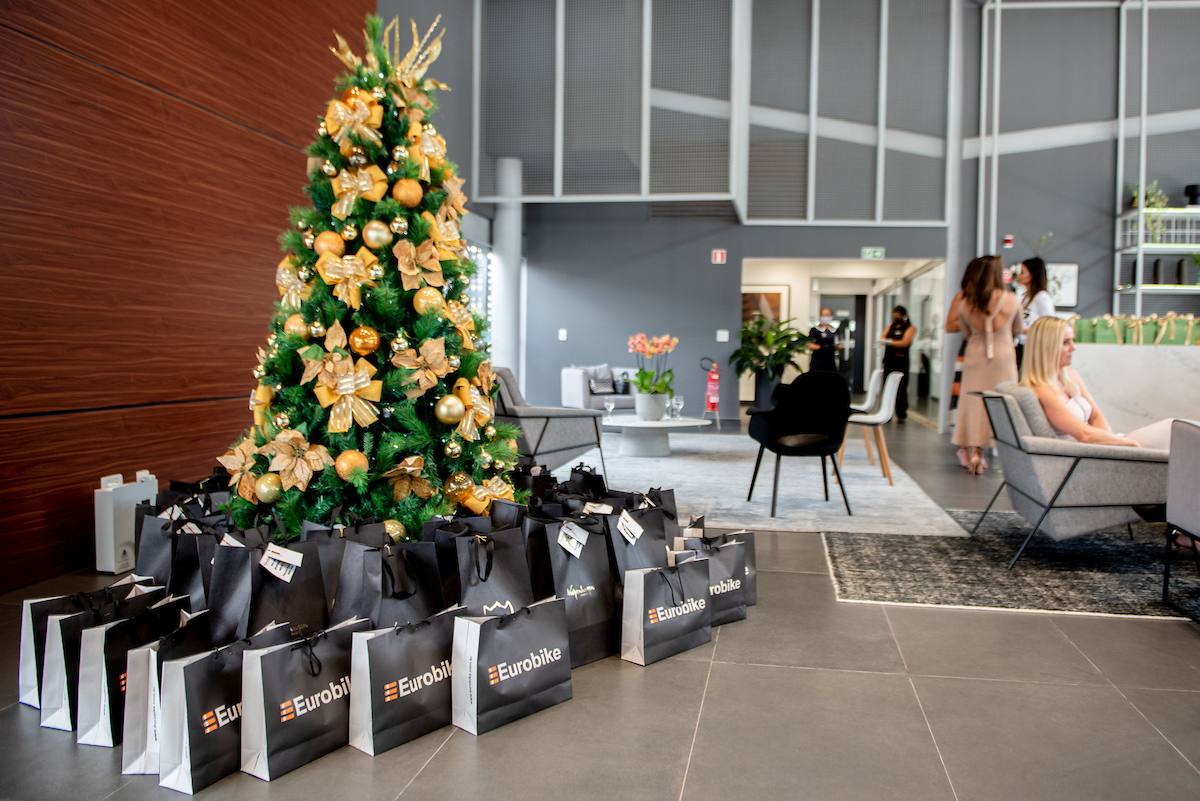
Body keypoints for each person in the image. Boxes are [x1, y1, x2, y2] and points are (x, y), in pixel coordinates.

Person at [1021, 316, 1186, 450]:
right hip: (1083, 454)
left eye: (1073, 340)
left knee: (1177, 430)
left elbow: (1096, 415)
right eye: (1066, 342)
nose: (1074, 347)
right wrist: (1125, 444)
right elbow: (1084, 435)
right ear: (1047, 347)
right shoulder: (1042, 391)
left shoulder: (1070, 375)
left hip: (1102, 446)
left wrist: (1112, 443)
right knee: (1175, 430)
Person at [945, 255, 1023, 474]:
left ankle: (975, 452)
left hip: (975, 355)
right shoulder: (1011, 299)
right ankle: (1008, 449)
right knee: (1005, 401)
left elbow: (965, 332)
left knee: (973, 403)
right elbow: (1018, 329)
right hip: (1004, 355)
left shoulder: (966, 303)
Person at [1014, 257, 1055, 368]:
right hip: (1022, 346)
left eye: (1022, 272)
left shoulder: (1042, 297)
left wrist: (1027, 330)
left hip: (1034, 349)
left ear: (1032, 275)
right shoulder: (1024, 297)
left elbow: (1050, 324)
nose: (1019, 276)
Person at [879, 305, 915, 422]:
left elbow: (905, 342)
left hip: (901, 361)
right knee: (887, 386)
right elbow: (882, 337)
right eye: (894, 315)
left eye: (897, 315)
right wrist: (891, 341)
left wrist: (890, 342)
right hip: (889, 361)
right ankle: (886, 413)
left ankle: (901, 413)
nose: (895, 317)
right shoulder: (890, 326)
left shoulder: (910, 328)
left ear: (903, 315)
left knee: (901, 387)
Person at [807, 307, 840, 373]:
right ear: (820, 316)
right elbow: (809, 345)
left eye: (827, 315)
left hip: (830, 362)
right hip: (817, 362)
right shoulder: (814, 330)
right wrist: (822, 347)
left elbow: (838, 345)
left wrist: (836, 347)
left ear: (831, 316)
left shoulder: (835, 331)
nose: (825, 317)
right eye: (823, 315)